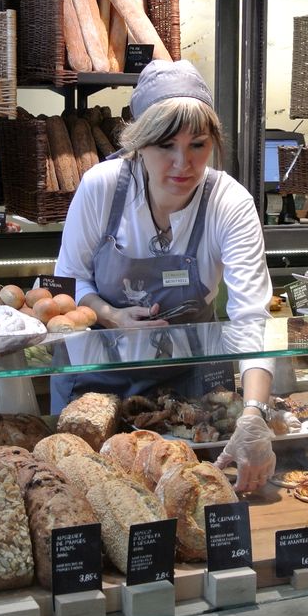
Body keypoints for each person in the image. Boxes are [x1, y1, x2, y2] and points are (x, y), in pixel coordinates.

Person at [53, 59, 275, 492]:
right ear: (138, 144)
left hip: (190, 391)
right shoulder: (102, 187)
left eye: (198, 145)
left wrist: (253, 413)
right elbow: (69, 281)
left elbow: (252, 318)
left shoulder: (229, 203)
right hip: (97, 383)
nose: (182, 163)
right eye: (165, 146)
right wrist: (109, 314)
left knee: (187, 491)